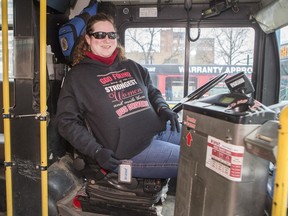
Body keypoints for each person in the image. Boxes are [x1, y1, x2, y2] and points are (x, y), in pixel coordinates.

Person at [56, 12, 181, 179]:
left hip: (160, 129)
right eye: (99, 35)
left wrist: (162, 108)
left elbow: (152, 91)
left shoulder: (131, 66)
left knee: (210, 147)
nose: (107, 40)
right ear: (88, 39)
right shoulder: (77, 77)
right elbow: (66, 122)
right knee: (197, 162)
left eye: (111, 35)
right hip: (132, 150)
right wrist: (96, 151)